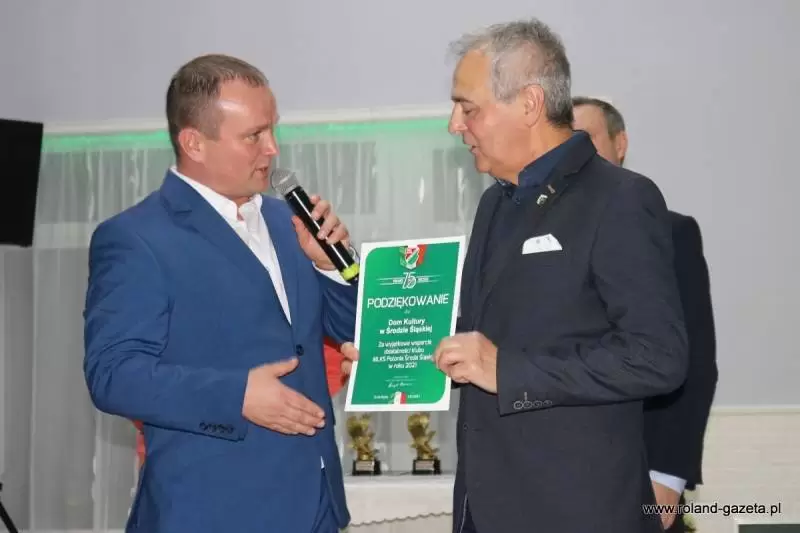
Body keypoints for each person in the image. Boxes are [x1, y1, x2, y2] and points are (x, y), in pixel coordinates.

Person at [343, 18, 688, 532]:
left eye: (468, 108)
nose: (454, 125)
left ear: (529, 104)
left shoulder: (619, 199)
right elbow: (483, 342)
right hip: (484, 510)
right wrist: (397, 357)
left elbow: (658, 358)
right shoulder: (495, 205)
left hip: (575, 513)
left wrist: (508, 370)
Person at [83, 53, 357, 533]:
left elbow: (354, 331)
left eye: (273, 129)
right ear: (194, 142)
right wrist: (237, 394)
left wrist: (331, 266)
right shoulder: (136, 237)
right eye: (254, 135)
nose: (272, 149)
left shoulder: (288, 221)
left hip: (316, 505)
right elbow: (113, 375)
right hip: (211, 510)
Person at [573, 96, 718, 532]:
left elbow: (694, 360)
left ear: (620, 144)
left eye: (587, 139)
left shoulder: (671, 232)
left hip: (642, 474)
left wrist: (667, 476)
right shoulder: (544, 244)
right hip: (564, 476)